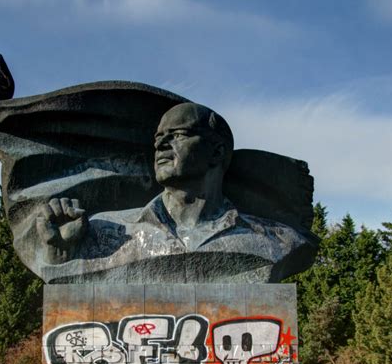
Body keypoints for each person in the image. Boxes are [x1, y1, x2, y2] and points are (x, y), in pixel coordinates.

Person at [35, 102, 317, 282]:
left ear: (217, 151)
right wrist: (60, 251)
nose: (160, 146)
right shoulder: (103, 232)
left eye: (177, 135)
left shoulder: (277, 241)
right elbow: (64, 286)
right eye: (159, 138)